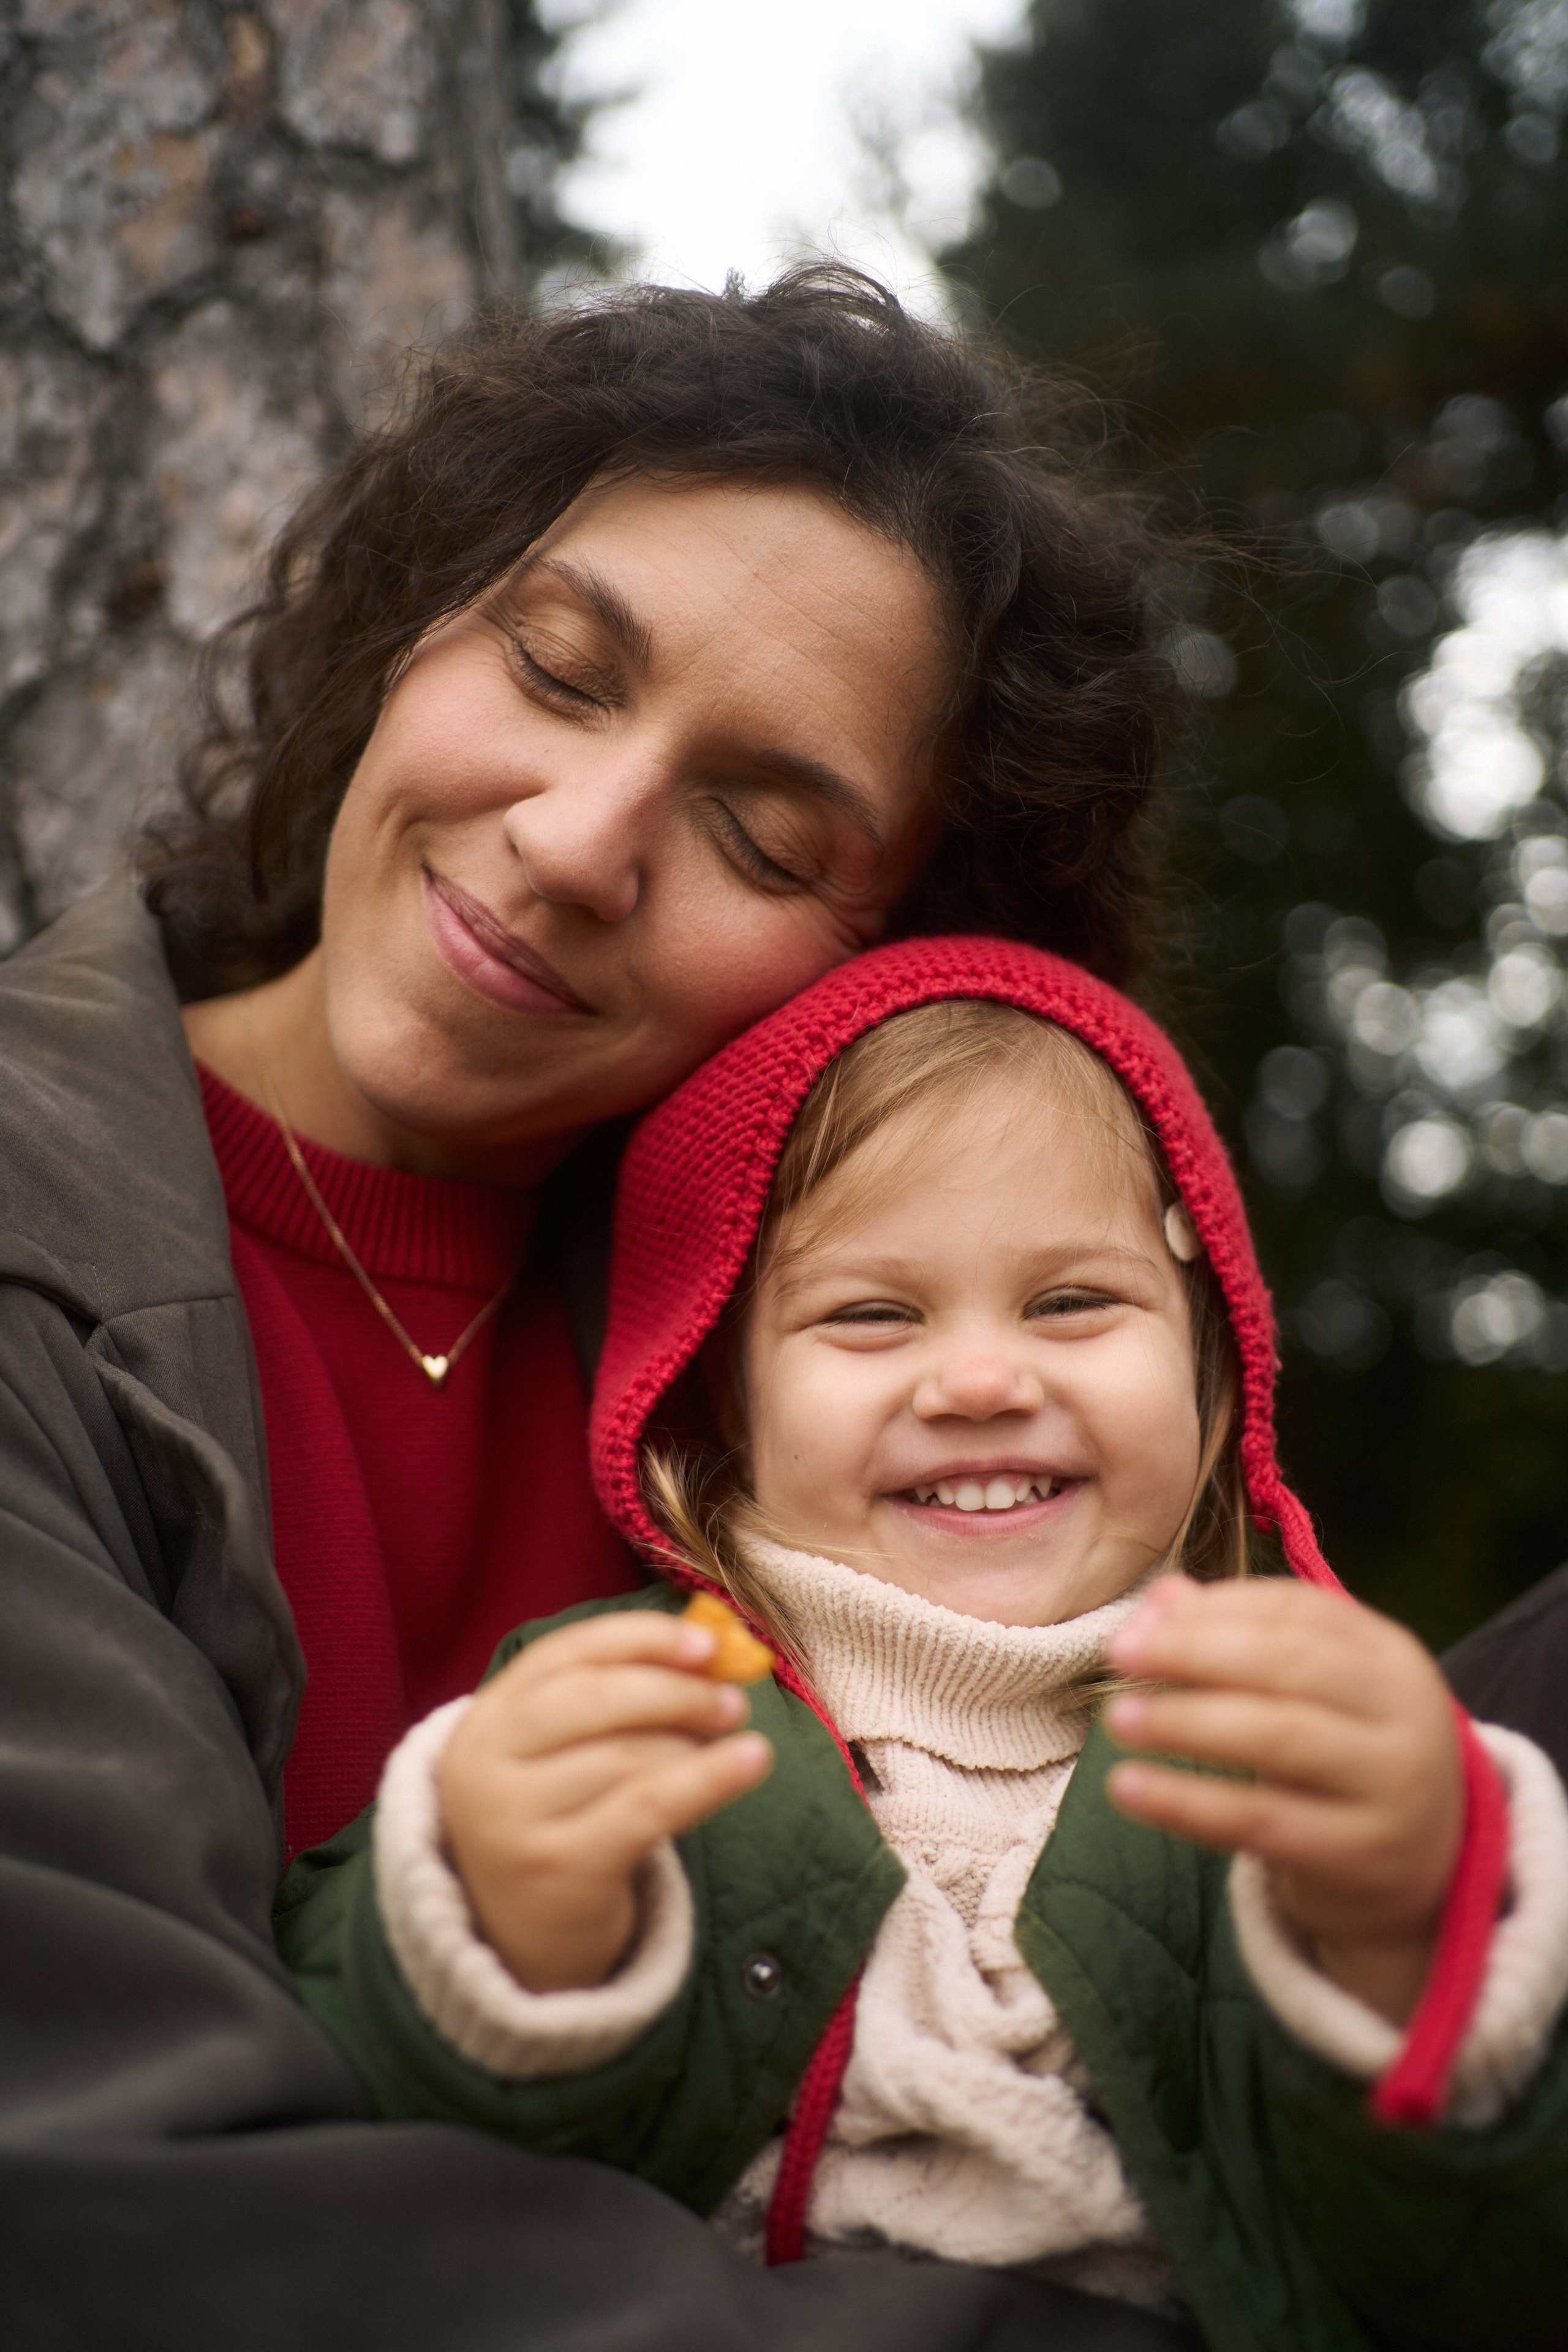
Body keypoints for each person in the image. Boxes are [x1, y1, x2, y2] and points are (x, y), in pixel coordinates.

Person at [0, 271, 1193, 2351]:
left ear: (889, 969)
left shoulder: (891, 1383)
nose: (572, 845)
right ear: (415, 625)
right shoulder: (37, 1232)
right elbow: (106, 2200)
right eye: (558, 672)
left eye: (757, 829)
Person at [278, 938, 1568, 2352]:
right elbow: (357, 2166)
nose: (977, 1380)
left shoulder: (1282, 1751)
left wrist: (1397, 1935)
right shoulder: (627, 1712)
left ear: (1210, 1378)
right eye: (869, 1314)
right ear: (722, 1405)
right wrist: (501, 1929)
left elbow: (1464, 2277)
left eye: (1072, 1302)